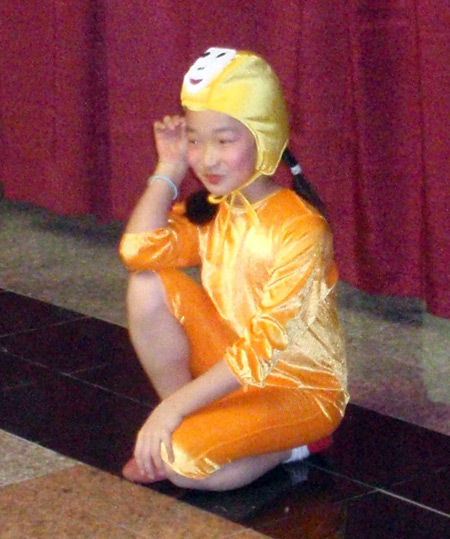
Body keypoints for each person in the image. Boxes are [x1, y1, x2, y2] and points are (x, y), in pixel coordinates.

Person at [119, 47, 348, 491]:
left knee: (184, 463)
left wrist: (172, 411)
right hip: (233, 367)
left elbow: (265, 346)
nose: (206, 159)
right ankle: (197, 421)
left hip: (299, 389)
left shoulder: (301, 228)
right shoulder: (218, 209)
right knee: (146, 284)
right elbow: (139, 251)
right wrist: (168, 168)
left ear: (264, 140)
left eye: (224, 141)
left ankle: (297, 444)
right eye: (195, 140)